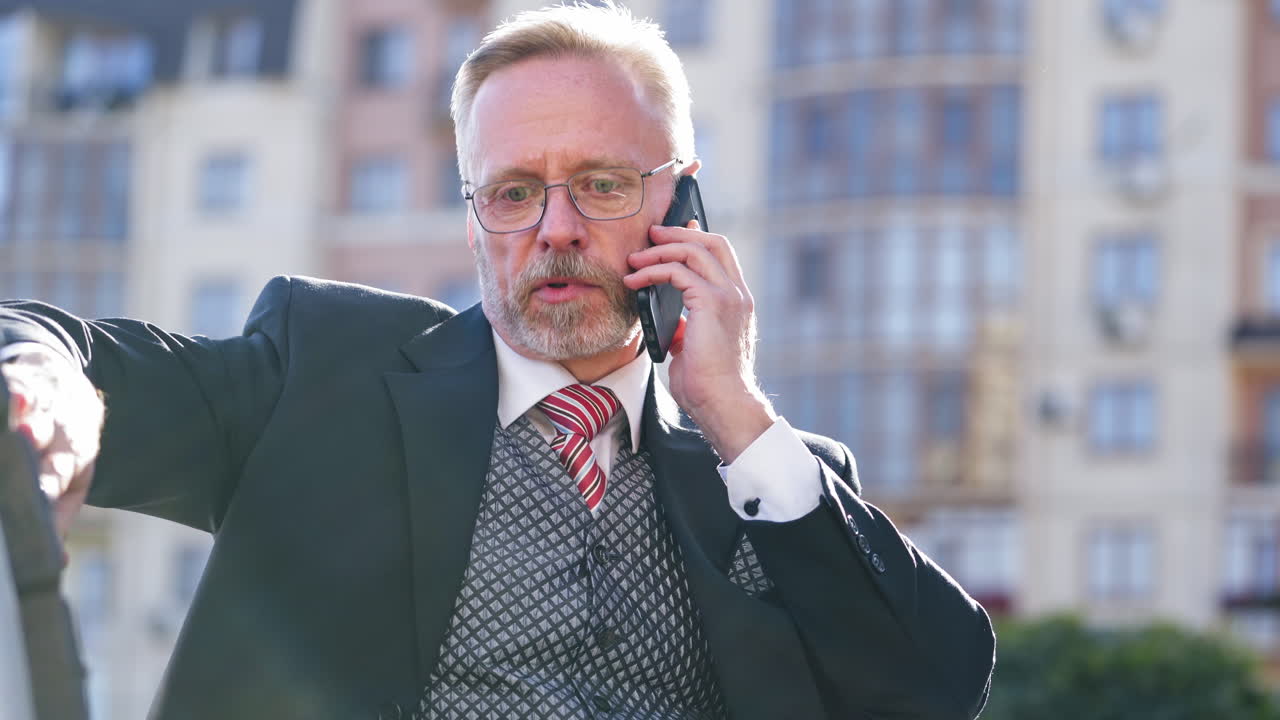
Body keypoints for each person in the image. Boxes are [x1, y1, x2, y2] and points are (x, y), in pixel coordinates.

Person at [0, 3, 995, 719]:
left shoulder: (771, 488)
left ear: (682, 202)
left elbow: (931, 689)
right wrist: (45, 387)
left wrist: (734, 414)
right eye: (513, 193)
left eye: (601, 185)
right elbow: (67, 349)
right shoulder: (320, 374)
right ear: (472, 212)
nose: (554, 230)